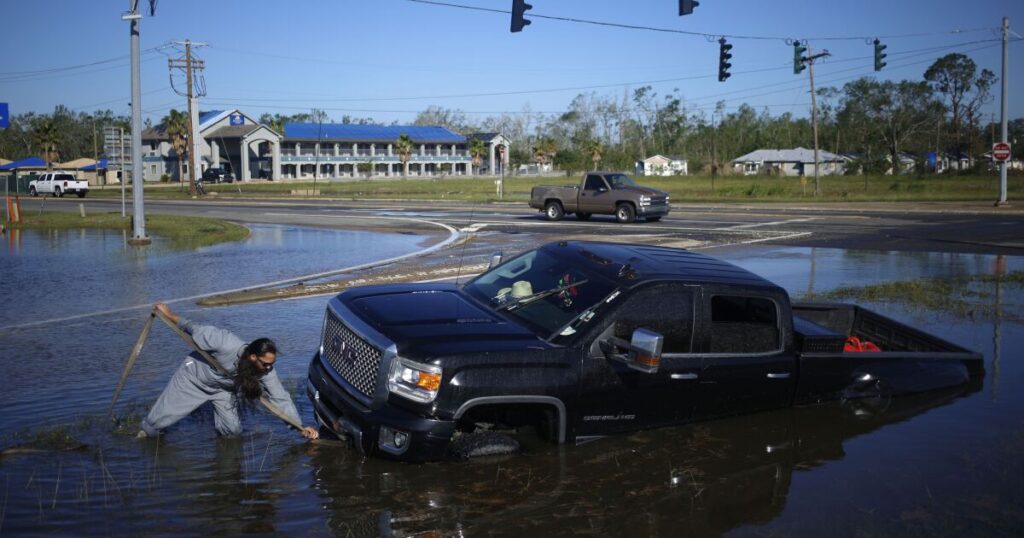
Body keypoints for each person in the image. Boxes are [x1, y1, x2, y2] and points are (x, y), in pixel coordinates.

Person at [138, 303, 318, 440]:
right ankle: (142, 436)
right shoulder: (224, 342)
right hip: (193, 379)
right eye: (265, 364)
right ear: (253, 357)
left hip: (223, 389)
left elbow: (281, 398)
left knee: (232, 432)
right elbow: (191, 327)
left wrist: (299, 426)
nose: (269, 369)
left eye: (271, 364)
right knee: (154, 426)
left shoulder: (265, 370)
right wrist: (167, 313)